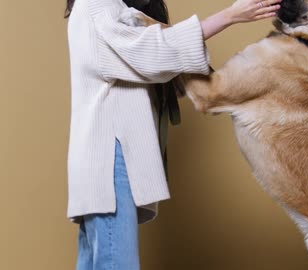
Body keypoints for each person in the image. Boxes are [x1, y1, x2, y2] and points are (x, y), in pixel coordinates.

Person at [64, 0, 282, 269]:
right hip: (110, 158)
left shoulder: (105, 6)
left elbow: (154, 46)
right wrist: (229, 16)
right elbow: (149, 53)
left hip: (105, 159)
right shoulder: (96, 4)